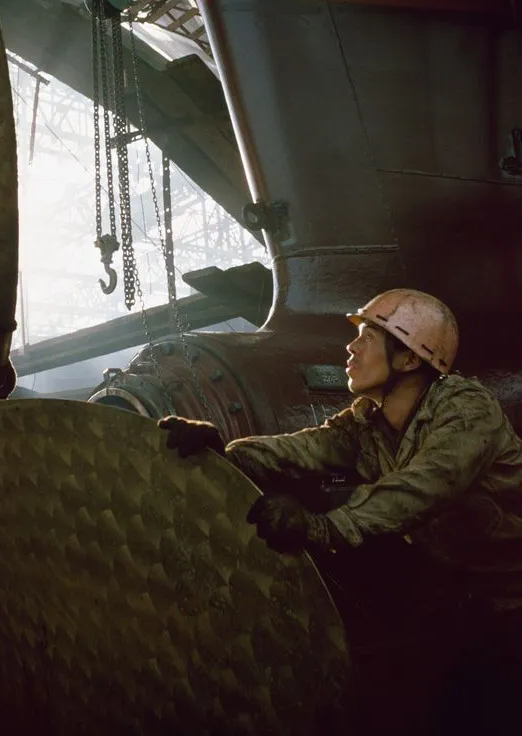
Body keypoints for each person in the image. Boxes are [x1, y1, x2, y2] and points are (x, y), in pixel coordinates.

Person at [159, 288, 522, 733]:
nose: (352, 345)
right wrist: (225, 451)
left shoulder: (467, 409)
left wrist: (323, 528)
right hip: (467, 598)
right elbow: (300, 449)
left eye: (369, 335)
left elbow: (421, 489)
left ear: (409, 360)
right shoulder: (365, 421)